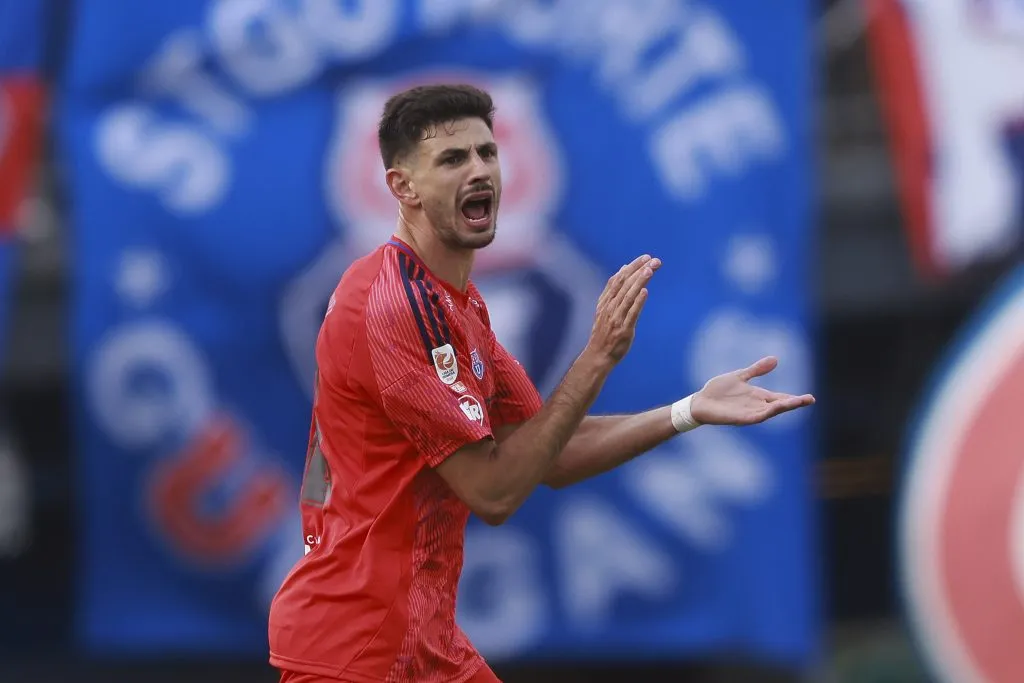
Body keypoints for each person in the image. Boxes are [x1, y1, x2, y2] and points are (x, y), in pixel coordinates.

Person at [268, 83, 815, 683]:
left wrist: (689, 410)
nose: (480, 171)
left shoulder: (455, 303)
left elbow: (549, 452)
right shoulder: (400, 305)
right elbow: (495, 491)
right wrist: (597, 357)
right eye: (453, 159)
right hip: (358, 650)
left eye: (487, 153)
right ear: (403, 188)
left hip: (422, 642)